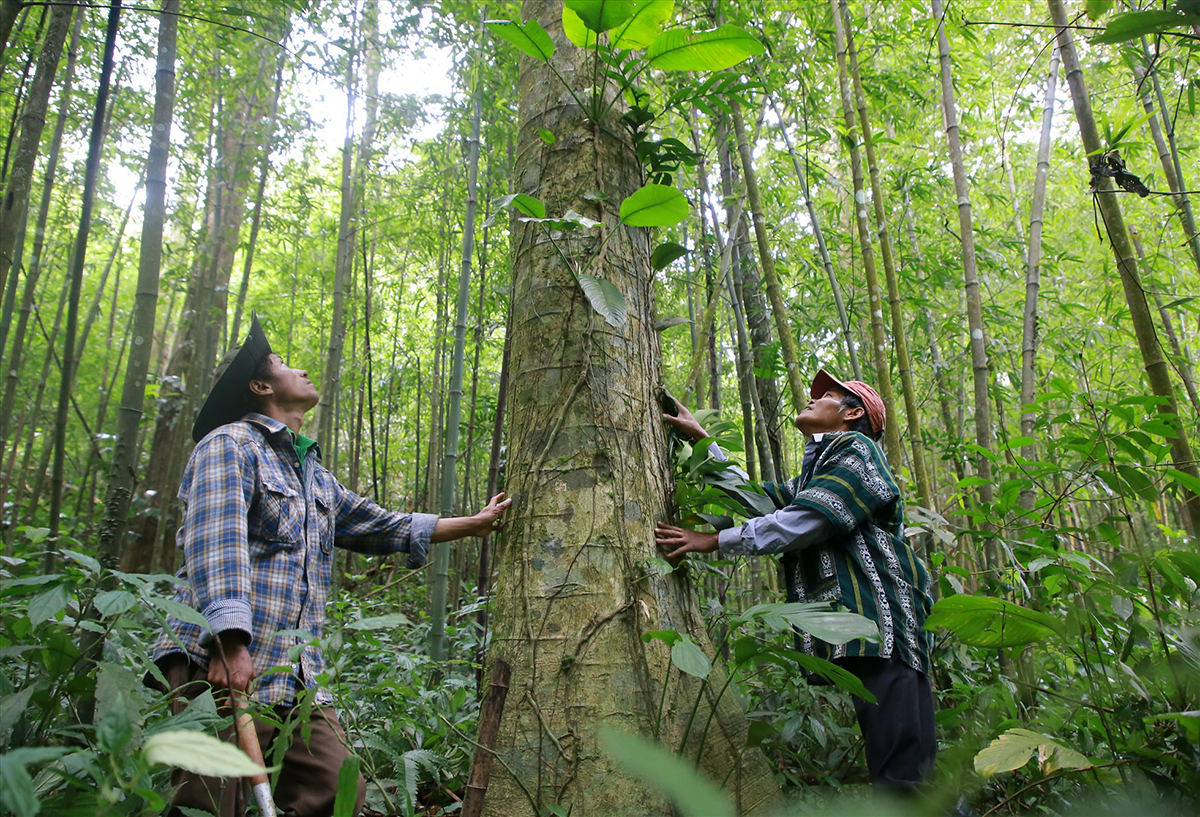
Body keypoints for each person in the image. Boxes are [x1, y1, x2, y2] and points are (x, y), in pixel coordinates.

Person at [150, 315, 512, 817]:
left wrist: (472, 524)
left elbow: (381, 525)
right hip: (219, 658)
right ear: (260, 386)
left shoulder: (314, 477)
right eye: (282, 364)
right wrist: (229, 644)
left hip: (296, 672)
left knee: (334, 789)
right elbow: (215, 539)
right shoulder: (230, 444)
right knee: (209, 801)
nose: (299, 369)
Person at [654, 369, 936, 794]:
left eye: (827, 395)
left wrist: (716, 540)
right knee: (901, 771)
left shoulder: (856, 450)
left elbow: (810, 519)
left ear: (852, 413)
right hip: (866, 631)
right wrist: (700, 439)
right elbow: (757, 497)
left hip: (885, 626)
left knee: (904, 775)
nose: (812, 398)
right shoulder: (816, 473)